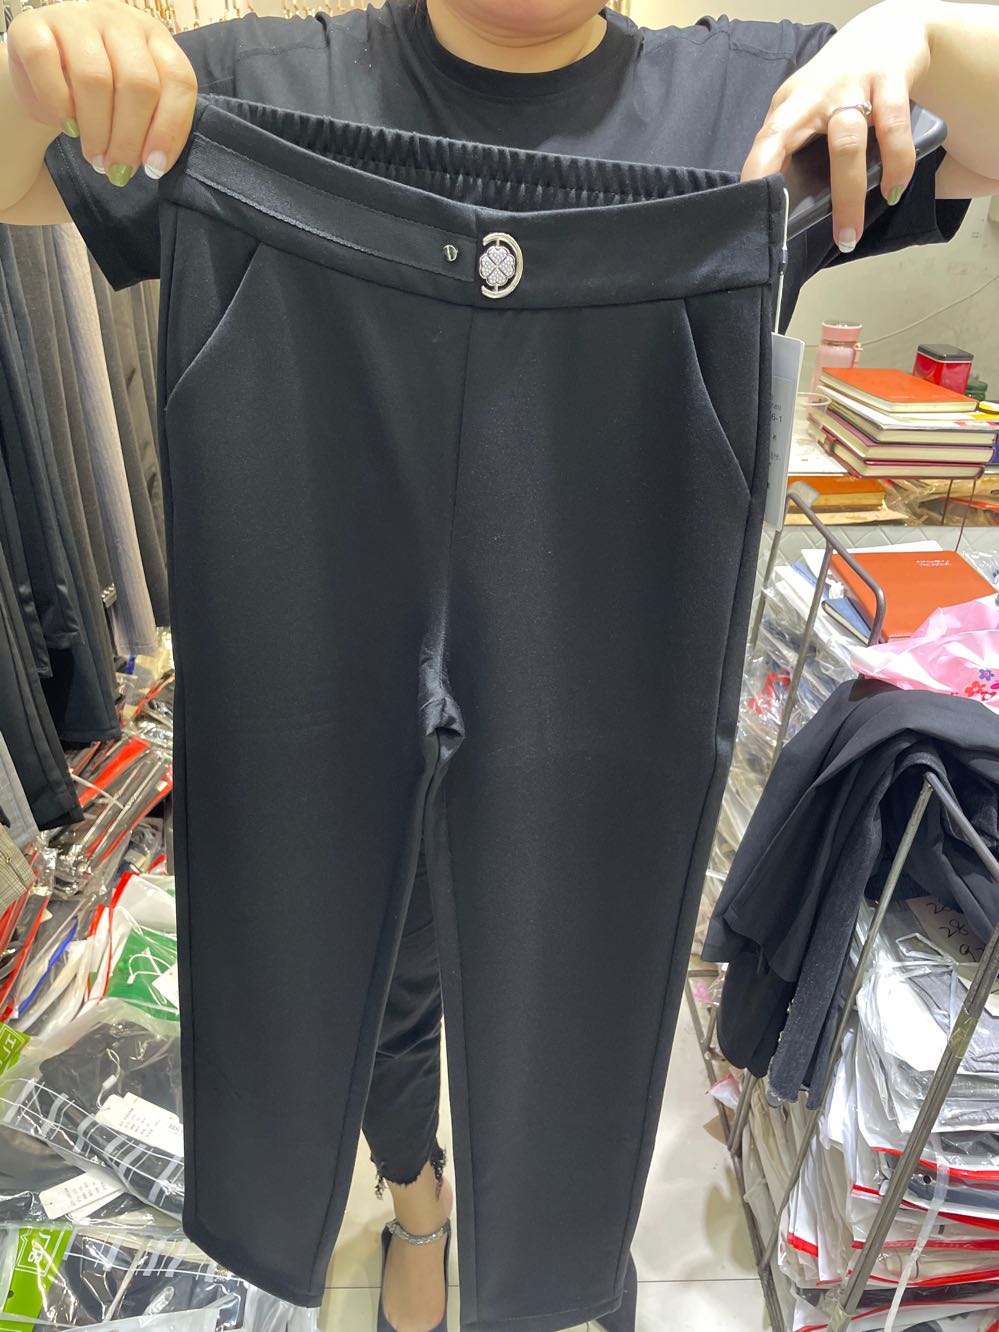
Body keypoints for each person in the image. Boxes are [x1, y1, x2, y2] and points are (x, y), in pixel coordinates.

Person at [1, 2, 998, 1330]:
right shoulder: (249, 82)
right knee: (316, 887)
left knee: (583, 911)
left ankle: (558, 1268)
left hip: (611, 498)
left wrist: (934, 36)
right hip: (311, 385)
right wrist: (31, 77)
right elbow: (20, 175)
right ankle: (417, 1196)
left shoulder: (770, 97)